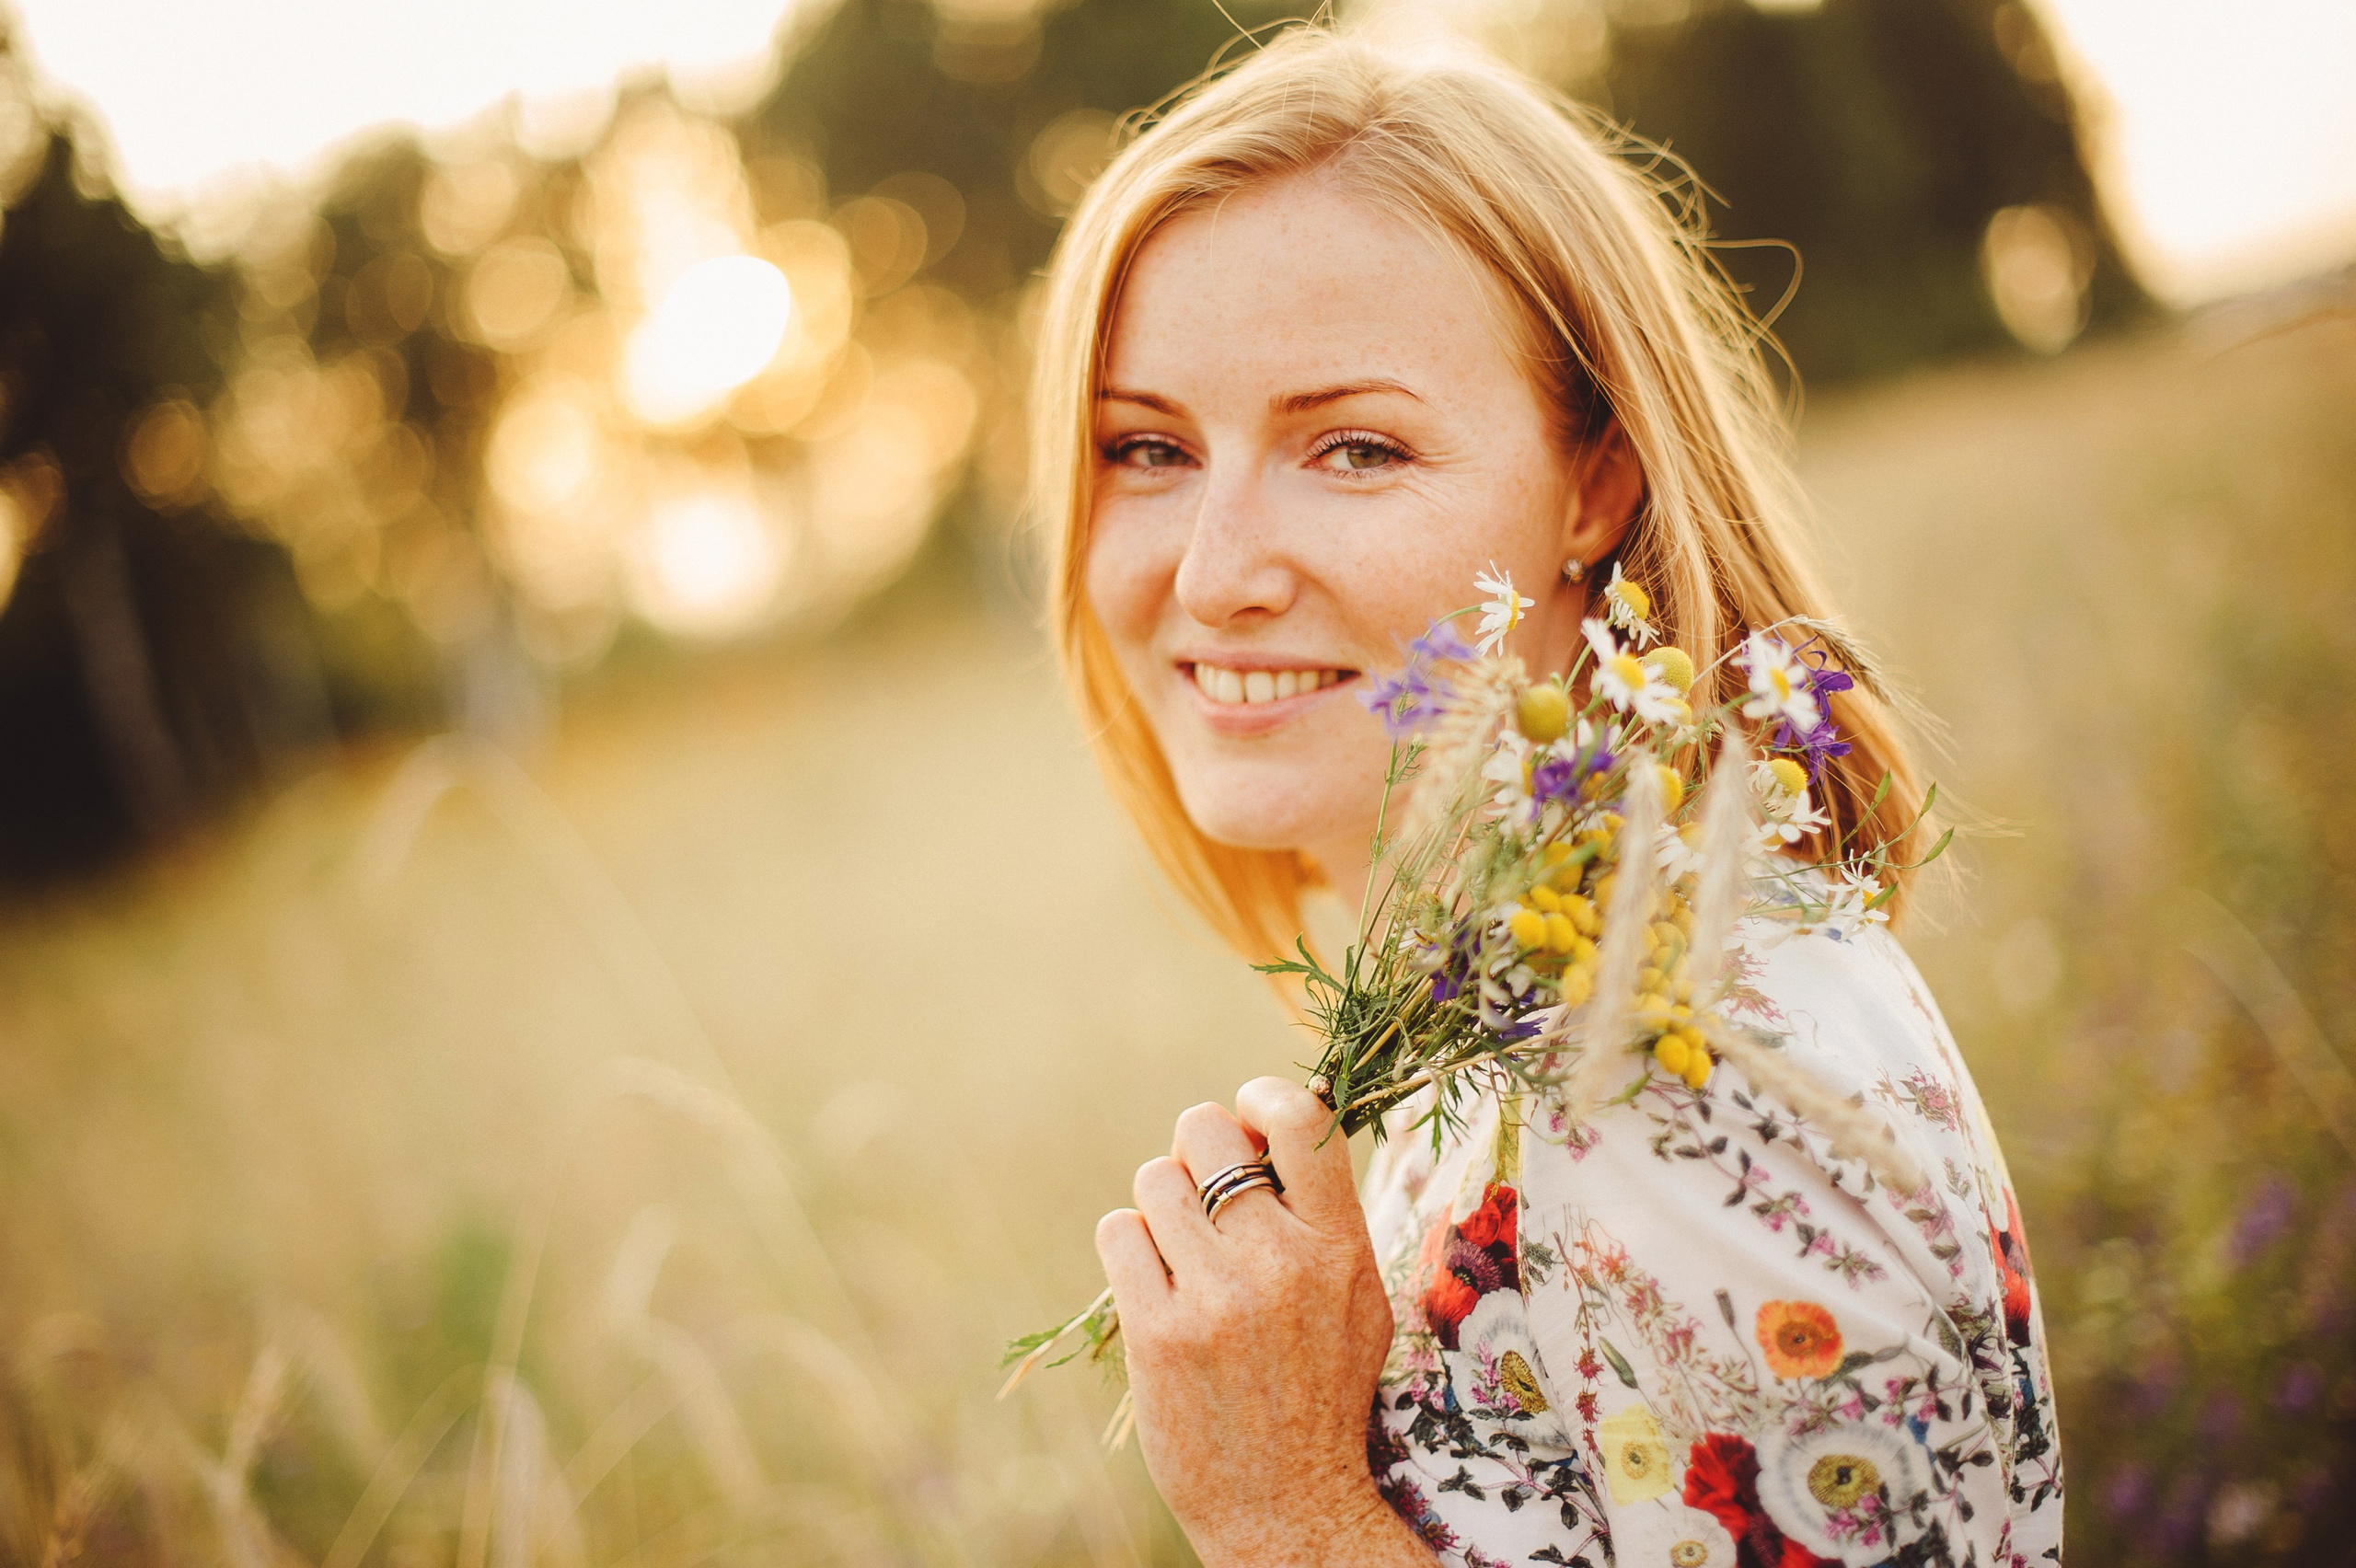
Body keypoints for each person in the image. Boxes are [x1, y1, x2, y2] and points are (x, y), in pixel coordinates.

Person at [1034, 25, 2062, 1568]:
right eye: (1148, 447)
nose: (1214, 574)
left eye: (1355, 446)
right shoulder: (1540, 1007)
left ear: (1597, 484)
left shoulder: (1683, 1078)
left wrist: (1290, 1518)